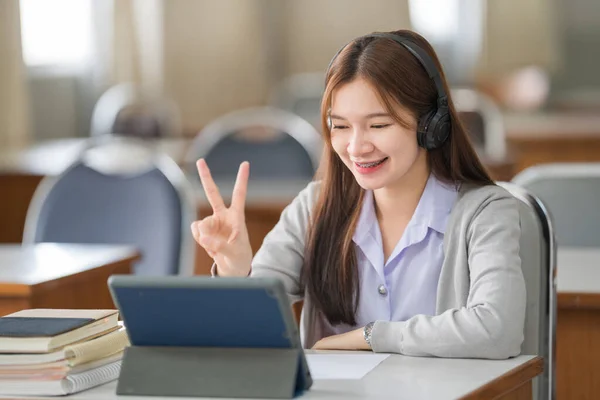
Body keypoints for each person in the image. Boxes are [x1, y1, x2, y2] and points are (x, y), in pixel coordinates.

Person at [190, 29, 526, 359]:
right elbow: (249, 324)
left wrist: (370, 337)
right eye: (340, 125)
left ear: (430, 124)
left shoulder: (485, 213)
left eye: (378, 125)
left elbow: (497, 330)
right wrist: (235, 270)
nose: (356, 147)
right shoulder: (314, 208)